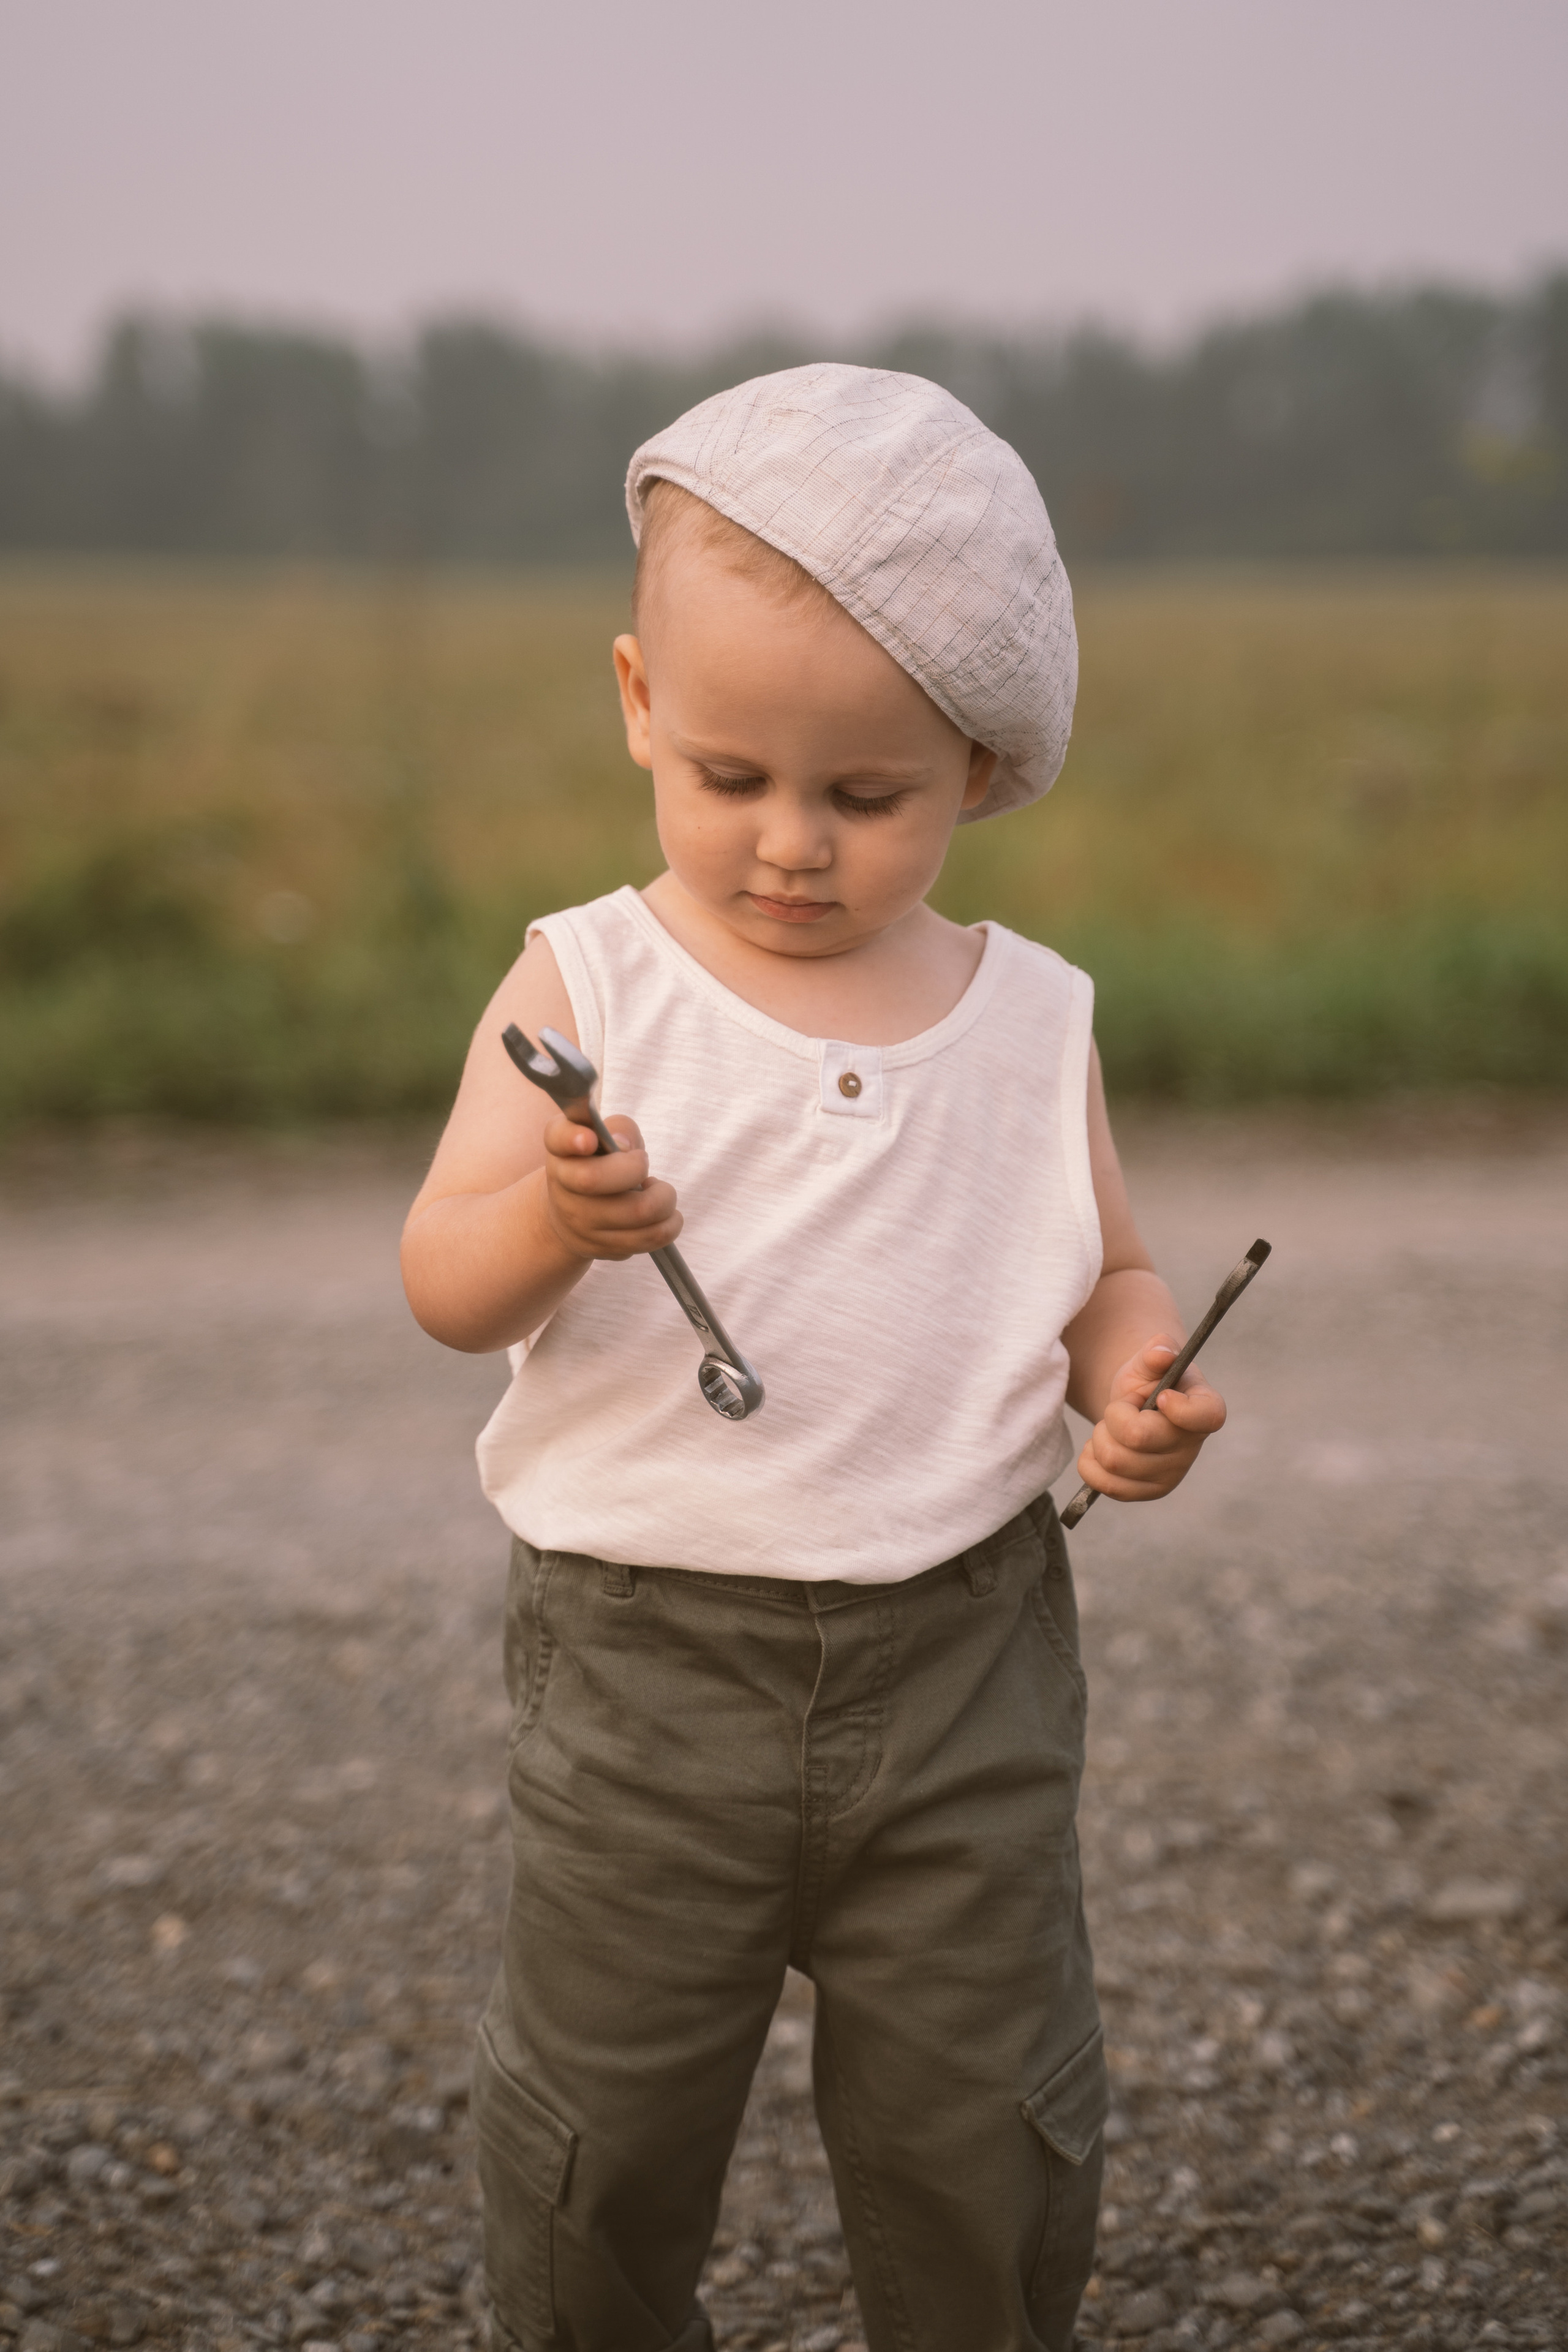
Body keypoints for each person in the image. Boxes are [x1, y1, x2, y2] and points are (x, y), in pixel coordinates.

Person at [401, 364, 1227, 2352]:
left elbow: (1102, 1268)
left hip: (963, 1651)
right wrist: (554, 1223)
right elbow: (445, 1279)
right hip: (645, 1662)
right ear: (637, 708)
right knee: (601, 2126)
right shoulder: (588, 979)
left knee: (985, 2125)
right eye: (730, 779)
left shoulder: (1029, 1017)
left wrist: (1137, 1382)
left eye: (870, 799)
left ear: (981, 764)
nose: (792, 845)